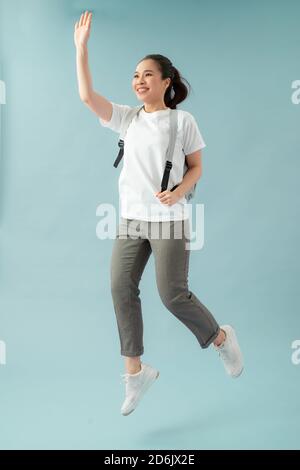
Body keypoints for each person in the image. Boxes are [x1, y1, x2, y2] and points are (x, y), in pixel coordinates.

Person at [74, 10, 243, 417]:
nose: (139, 81)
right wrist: (81, 49)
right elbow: (86, 97)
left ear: (166, 82)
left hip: (170, 221)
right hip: (131, 219)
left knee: (172, 295)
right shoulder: (126, 119)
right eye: (135, 75)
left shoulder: (182, 121)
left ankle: (220, 338)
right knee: (120, 287)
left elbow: (197, 167)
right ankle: (136, 373)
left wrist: (179, 191)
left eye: (148, 74)